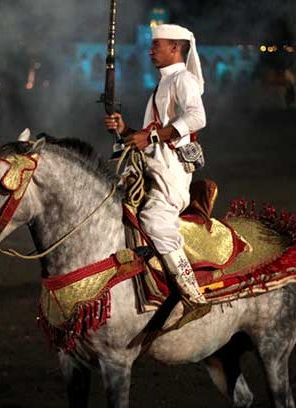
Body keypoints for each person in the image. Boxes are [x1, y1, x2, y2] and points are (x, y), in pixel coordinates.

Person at [104, 24, 207, 305]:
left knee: (154, 221)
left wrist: (148, 136)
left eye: (157, 45)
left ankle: (192, 294)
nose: (151, 50)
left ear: (175, 48)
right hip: (154, 166)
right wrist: (126, 130)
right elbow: (150, 136)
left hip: (171, 172)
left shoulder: (183, 79)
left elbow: (197, 117)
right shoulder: (163, 83)